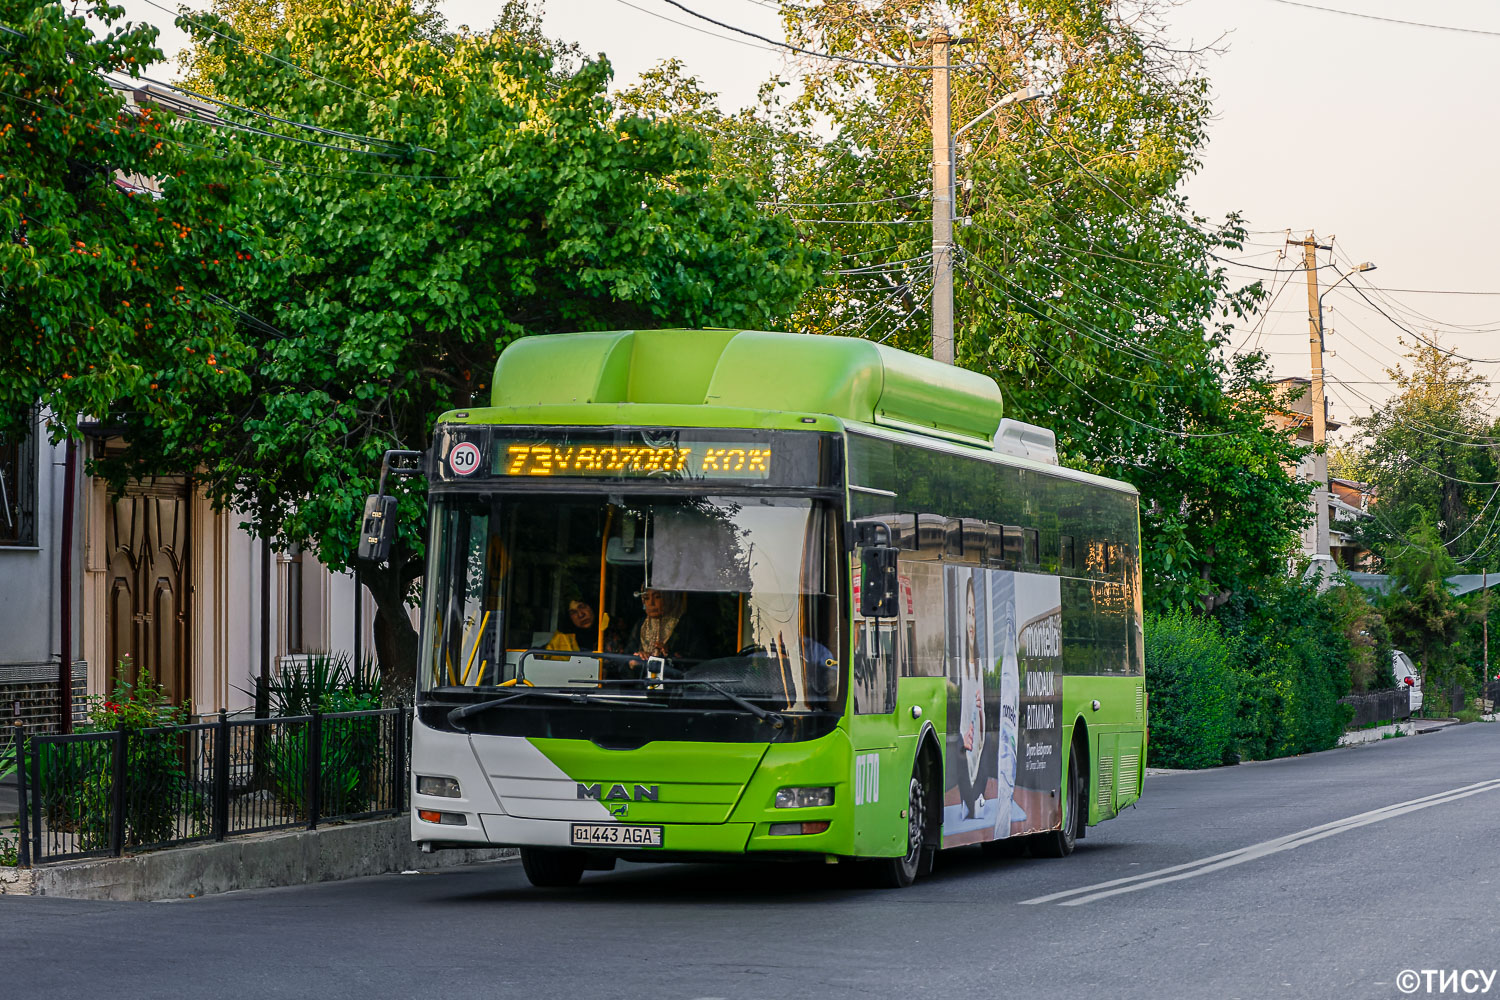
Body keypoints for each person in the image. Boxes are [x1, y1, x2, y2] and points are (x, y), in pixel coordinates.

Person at [628, 588, 706, 664]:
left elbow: (699, 660)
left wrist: (670, 654)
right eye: (646, 598)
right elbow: (626, 658)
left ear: (669, 598)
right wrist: (637, 658)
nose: (651, 603)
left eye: (657, 597)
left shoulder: (686, 624)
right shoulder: (641, 625)